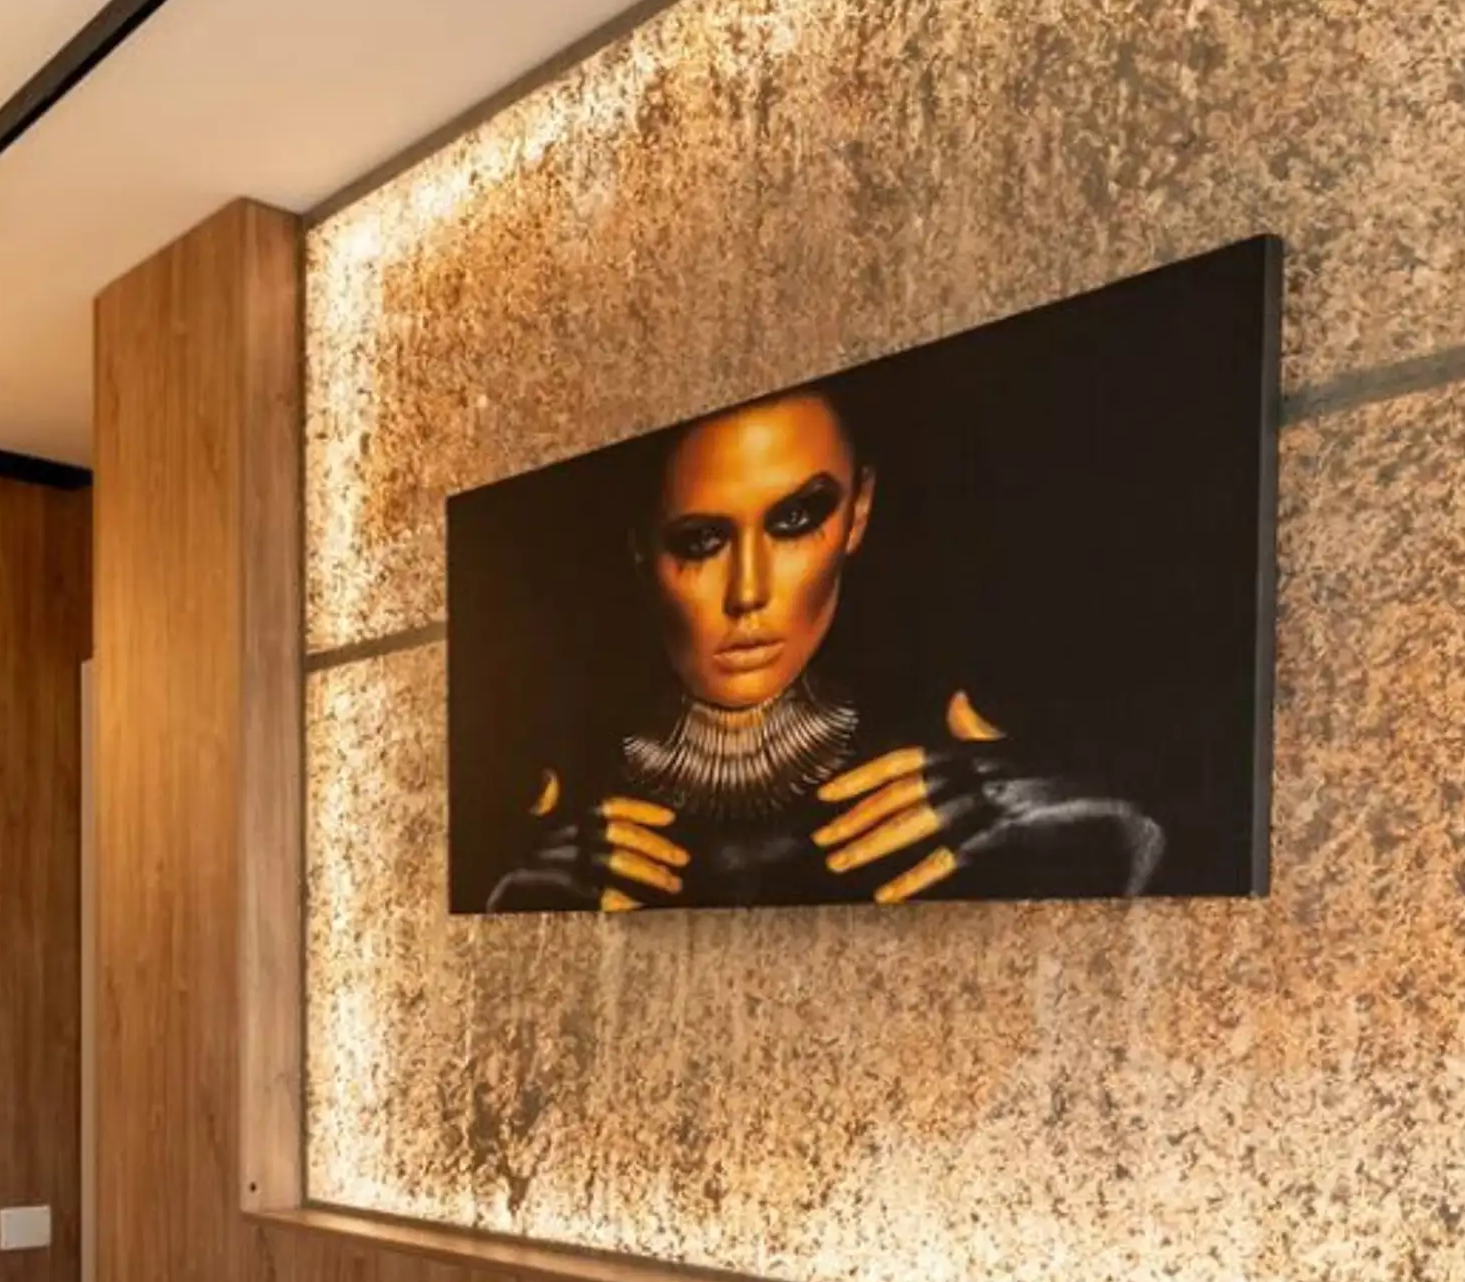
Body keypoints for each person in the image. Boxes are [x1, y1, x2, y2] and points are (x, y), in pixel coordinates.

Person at [484, 386, 1164, 913]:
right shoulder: (561, 787)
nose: (748, 592)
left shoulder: (948, 766)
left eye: (794, 520)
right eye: (700, 540)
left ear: (858, 512)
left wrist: (1085, 828)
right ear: (640, 548)